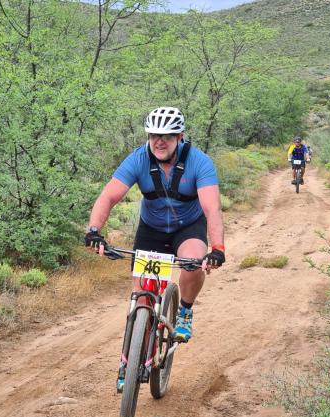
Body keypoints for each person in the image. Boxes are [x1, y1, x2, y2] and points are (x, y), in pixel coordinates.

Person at [85, 106, 225, 343]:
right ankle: (132, 359)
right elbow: (108, 197)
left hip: (188, 227)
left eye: (167, 136)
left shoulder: (200, 162)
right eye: (153, 135)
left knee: (192, 262)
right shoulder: (138, 159)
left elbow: (212, 208)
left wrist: (218, 248)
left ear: (179, 137)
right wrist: (94, 231)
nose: (159, 142)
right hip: (151, 230)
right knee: (141, 297)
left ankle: (185, 311)